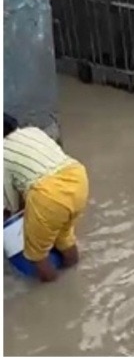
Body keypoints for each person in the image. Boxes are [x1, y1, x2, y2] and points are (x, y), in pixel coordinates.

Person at [3, 114, 90, 282]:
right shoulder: (33, 131)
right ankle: (74, 276)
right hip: (77, 178)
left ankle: (55, 292)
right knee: (64, 236)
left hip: (48, 194)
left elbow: (11, 203)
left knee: (36, 254)